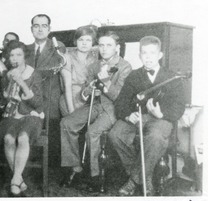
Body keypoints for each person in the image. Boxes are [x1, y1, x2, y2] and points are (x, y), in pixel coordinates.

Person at [108, 36, 185, 196]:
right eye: (144, 53)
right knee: (116, 134)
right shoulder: (133, 76)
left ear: (160, 55)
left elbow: (179, 106)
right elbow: (121, 102)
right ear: (139, 56)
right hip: (138, 117)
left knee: (155, 137)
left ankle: (133, 180)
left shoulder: (172, 77)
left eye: (152, 53)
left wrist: (161, 113)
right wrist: (129, 116)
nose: (148, 57)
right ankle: (145, 177)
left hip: (162, 119)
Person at [60, 31, 132, 190]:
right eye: (101, 45)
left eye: (109, 45)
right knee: (66, 122)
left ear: (117, 48)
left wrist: (105, 81)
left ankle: (95, 176)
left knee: (92, 132)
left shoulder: (125, 66)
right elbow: (85, 91)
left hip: (112, 108)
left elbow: (119, 97)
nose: (104, 49)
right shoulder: (94, 66)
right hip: (94, 105)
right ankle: (75, 168)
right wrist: (88, 91)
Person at [0, 40, 44, 196]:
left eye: (18, 55)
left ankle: (15, 179)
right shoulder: (5, 75)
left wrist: (21, 82)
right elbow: (4, 101)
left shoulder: (34, 74)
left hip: (31, 116)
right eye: (11, 55)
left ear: (24, 57)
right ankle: (19, 179)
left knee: (22, 138)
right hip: (11, 116)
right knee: (8, 138)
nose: (15, 59)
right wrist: (9, 85)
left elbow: (38, 103)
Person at [26, 14, 65, 166]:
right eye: (36, 26)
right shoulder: (26, 49)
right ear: (31, 29)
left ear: (49, 29)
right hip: (28, 101)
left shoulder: (57, 47)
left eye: (44, 26)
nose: (40, 29)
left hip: (49, 102)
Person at [59, 25, 99, 116]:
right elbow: (67, 86)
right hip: (70, 99)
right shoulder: (67, 57)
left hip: (86, 98)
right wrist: (71, 111)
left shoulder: (94, 59)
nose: (84, 43)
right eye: (81, 40)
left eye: (88, 40)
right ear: (75, 41)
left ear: (92, 42)